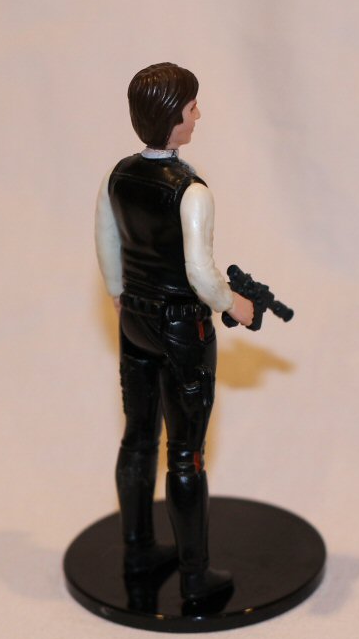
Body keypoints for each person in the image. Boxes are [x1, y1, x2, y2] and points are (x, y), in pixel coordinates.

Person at [94, 62, 253, 601]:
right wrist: (236, 305)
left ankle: (138, 548)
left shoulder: (117, 176)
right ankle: (194, 578)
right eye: (190, 108)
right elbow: (201, 273)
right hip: (182, 327)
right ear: (170, 118)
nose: (198, 115)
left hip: (134, 318)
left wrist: (119, 294)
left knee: (138, 437)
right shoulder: (192, 191)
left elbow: (106, 242)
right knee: (186, 453)